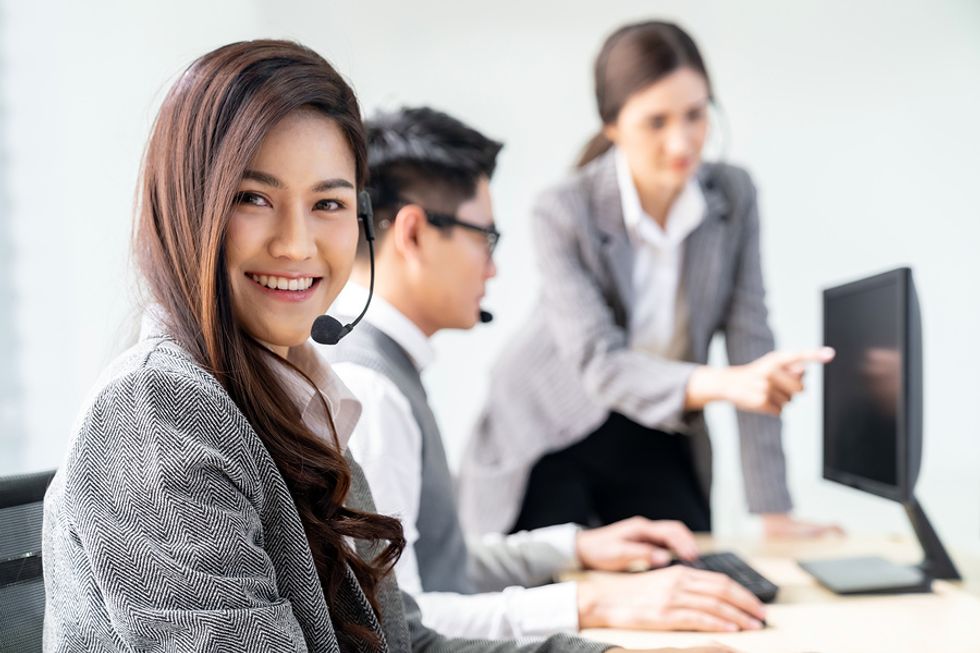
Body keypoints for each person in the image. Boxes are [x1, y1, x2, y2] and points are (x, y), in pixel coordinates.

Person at [39, 39, 727, 653]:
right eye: (254, 198)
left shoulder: (296, 400)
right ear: (187, 206)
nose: (297, 243)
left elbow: (403, 639)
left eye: (329, 204)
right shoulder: (156, 412)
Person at [325, 106, 768, 640]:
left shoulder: (382, 367)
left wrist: (574, 547)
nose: (494, 269)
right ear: (414, 233)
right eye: (484, 238)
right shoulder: (372, 393)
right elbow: (402, 624)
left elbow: (440, 562)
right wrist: (595, 602)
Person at [458, 20, 839, 539]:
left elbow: (752, 346)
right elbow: (600, 362)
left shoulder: (733, 195)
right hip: (551, 428)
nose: (681, 141)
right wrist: (722, 384)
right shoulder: (563, 210)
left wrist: (775, 514)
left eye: (695, 115)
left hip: (659, 421)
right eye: (656, 122)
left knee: (694, 570)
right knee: (558, 588)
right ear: (612, 125)